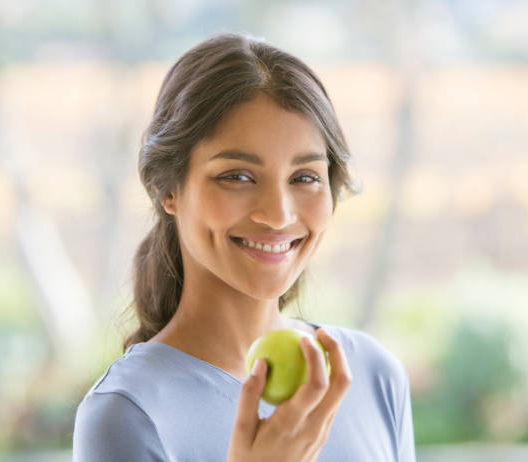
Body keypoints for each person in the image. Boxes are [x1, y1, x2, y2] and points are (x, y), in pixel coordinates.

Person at [72, 32, 416, 461]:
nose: (278, 214)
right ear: (168, 188)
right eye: (237, 176)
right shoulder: (127, 413)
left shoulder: (370, 373)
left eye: (305, 177)